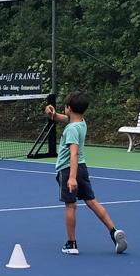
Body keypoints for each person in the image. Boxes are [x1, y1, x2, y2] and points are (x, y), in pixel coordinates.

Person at [44, 91, 127, 256]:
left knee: (70, 205)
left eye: (65, 107)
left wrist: (71, 178)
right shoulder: (81, 122)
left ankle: (71, 243)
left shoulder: (71, 129)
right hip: (82, 169)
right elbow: (64, 118)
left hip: (69, 170)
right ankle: (113, 231)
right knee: (92, 201)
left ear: (69, 108)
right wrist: (52, 114)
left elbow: (74, 153)